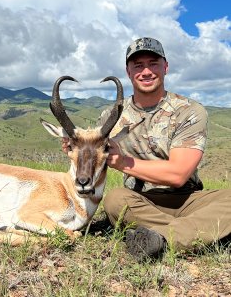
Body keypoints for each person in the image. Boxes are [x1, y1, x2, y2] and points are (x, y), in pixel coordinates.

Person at [62, 37, 231, 262]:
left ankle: (159, 238)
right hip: (139, 202)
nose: (146, 71)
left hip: (189, 199)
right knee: (114, 200)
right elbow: (91, 155)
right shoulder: (110, 118)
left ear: (165, 66)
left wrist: (122, 163)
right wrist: (78, 150)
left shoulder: (189, 111)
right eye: (138, 65)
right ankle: (206, 231)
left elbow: (178, 175)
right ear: (128, 71)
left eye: (153, 63)